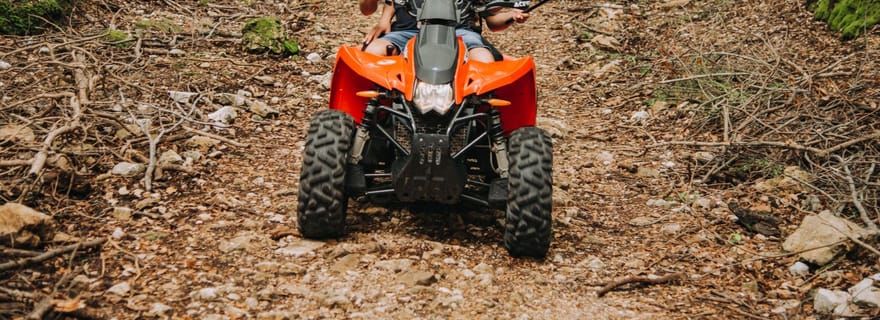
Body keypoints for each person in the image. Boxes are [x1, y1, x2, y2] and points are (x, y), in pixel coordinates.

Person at [359, 0, 531, 62]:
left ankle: (480, 117)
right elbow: (372, 8)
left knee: (484, 59)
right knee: (374, 51)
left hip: (460, 33)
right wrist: (384, 21)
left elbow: (492, 21)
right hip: (410, 31)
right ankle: (372, 115)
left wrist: (511, 15)